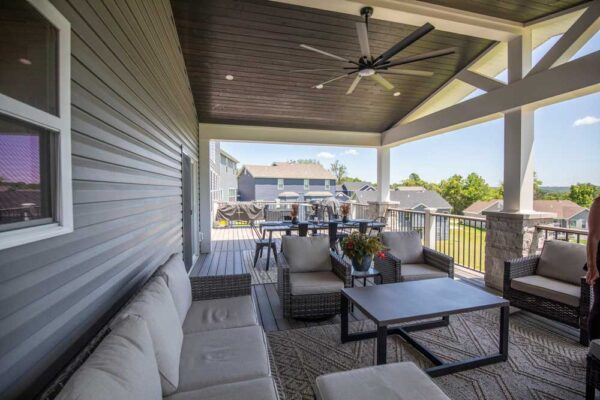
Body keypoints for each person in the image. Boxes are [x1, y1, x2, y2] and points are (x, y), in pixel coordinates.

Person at [586, 196, 600, 340]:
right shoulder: (599, 203)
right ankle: (595, 350)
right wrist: (592, 267)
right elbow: (593, 237)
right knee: (599, 308)